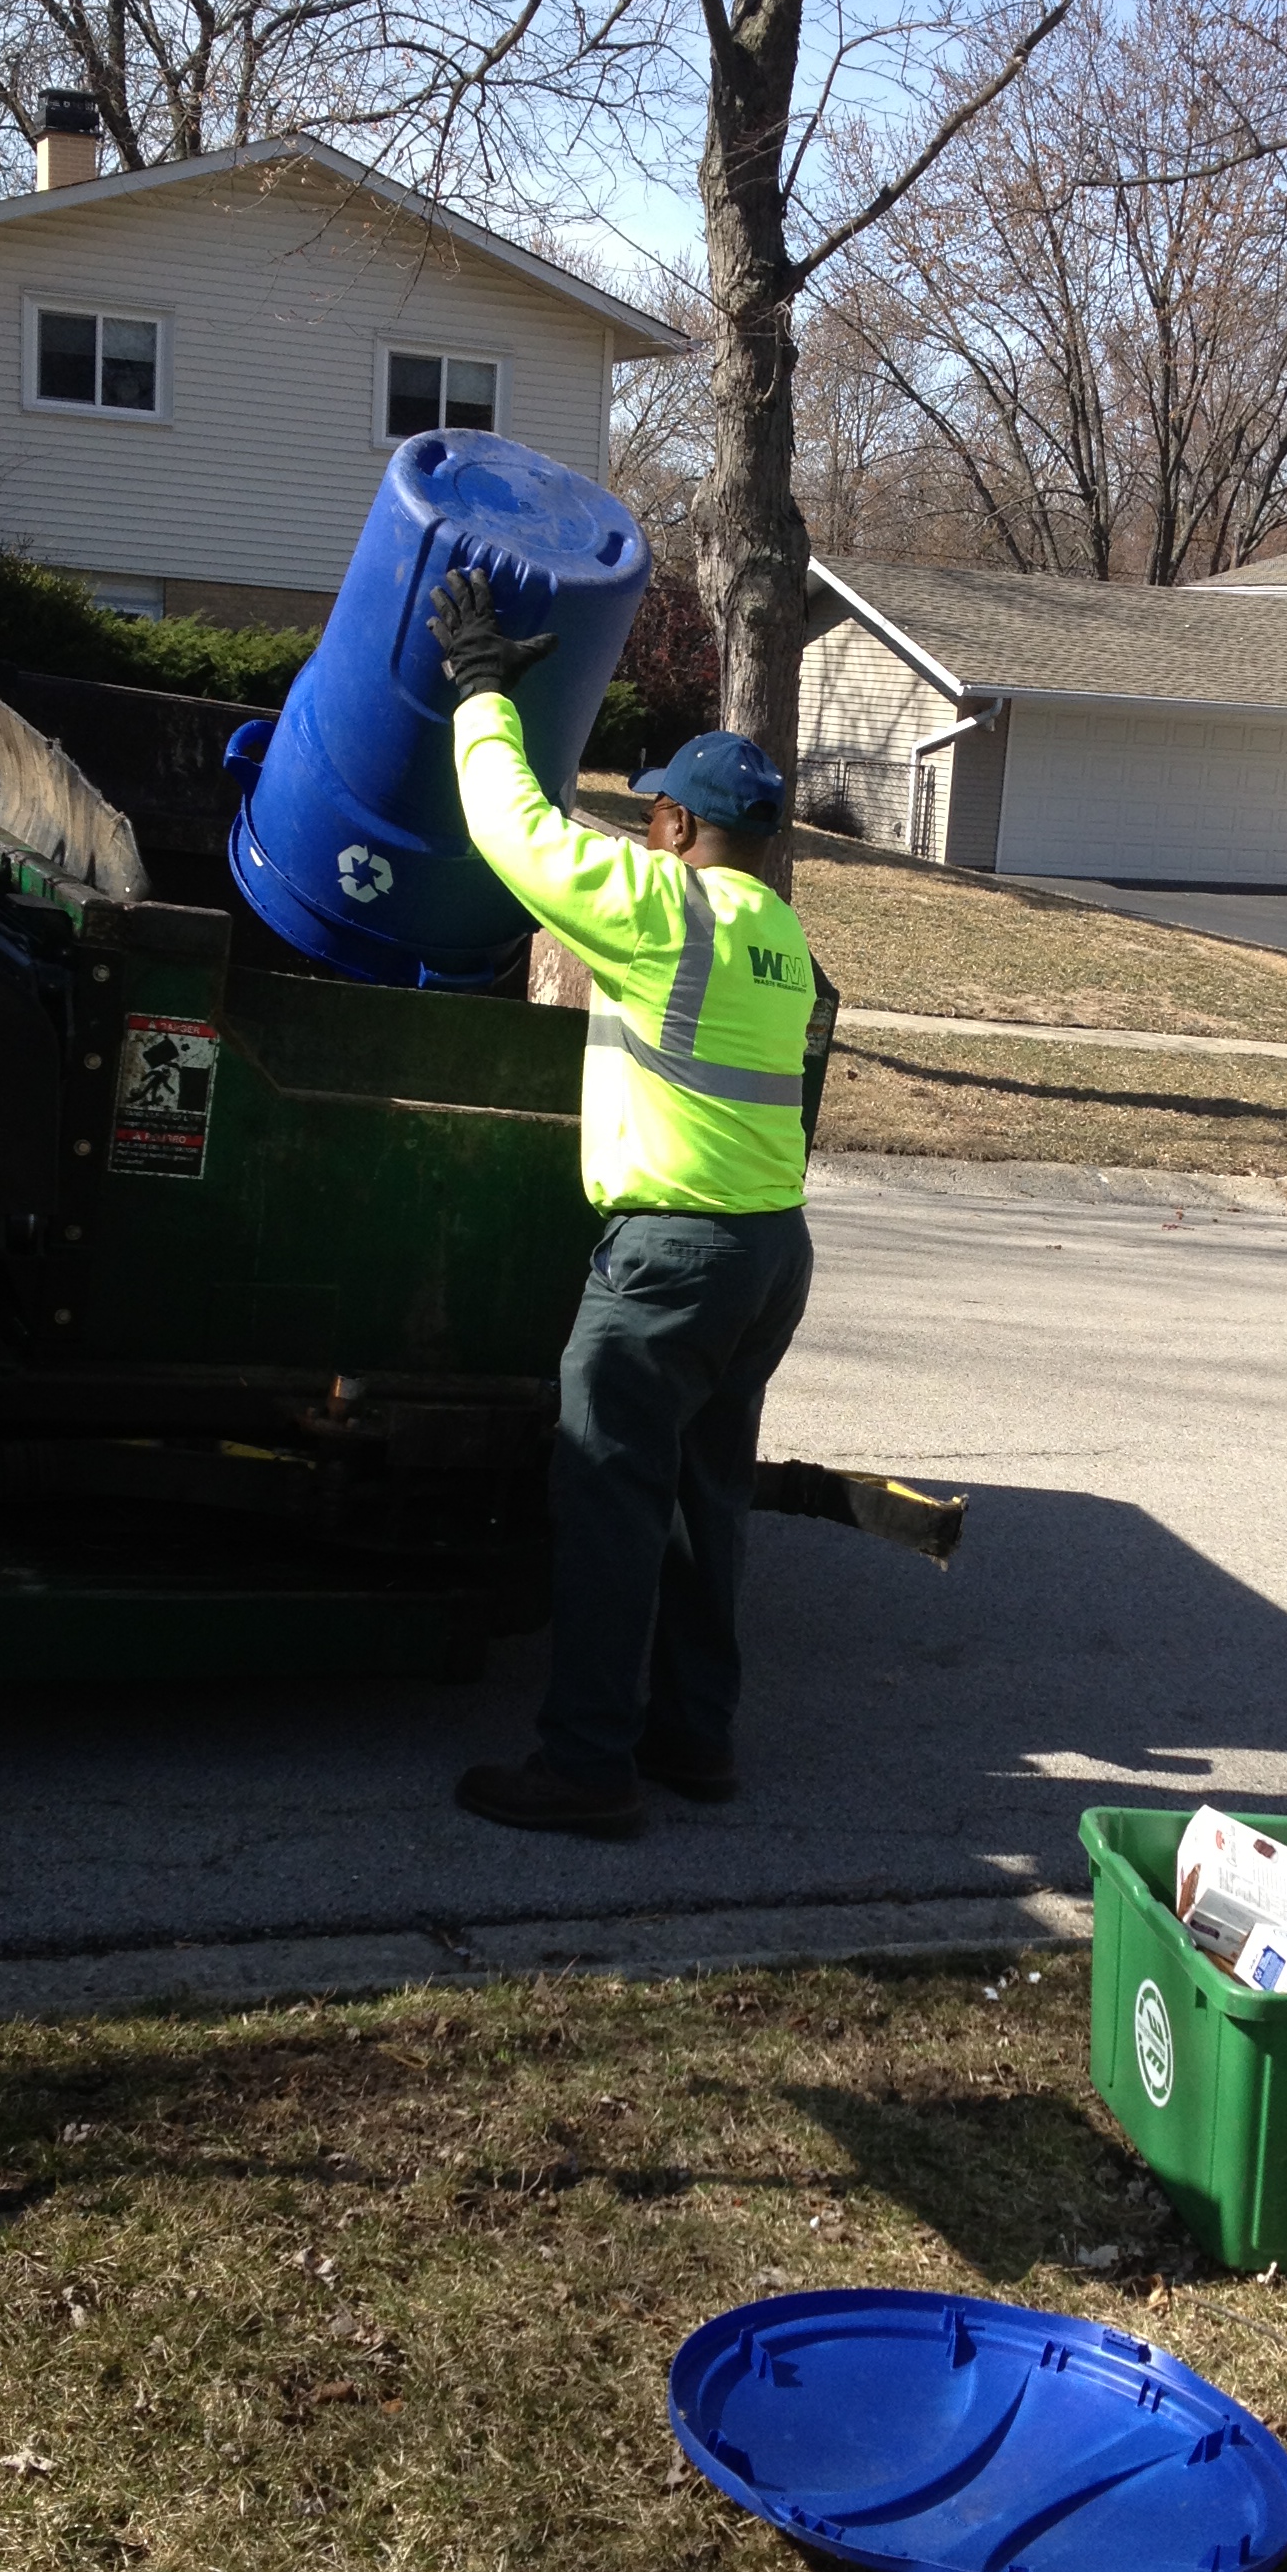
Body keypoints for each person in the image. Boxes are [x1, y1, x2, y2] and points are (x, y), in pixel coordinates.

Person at [426, 565, 817, 1838]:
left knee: (608, 1501)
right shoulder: (782, 939)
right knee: (705, 1505)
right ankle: (694, 1740)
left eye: (652, 813)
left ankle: (587, 1767)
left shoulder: (665, 911)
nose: (643, 829)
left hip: (672, 1262)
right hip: (767, 1253)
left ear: (678, 828)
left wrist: (480, 690)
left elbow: (515, 833)